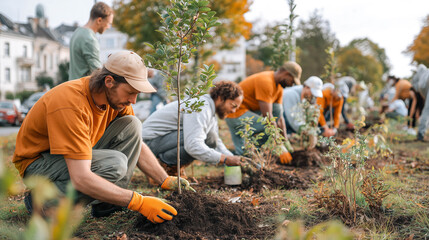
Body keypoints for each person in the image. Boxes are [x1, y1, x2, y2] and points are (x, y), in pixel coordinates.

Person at [13, 50, 191, 223]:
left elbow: (137, 143)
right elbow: (81, 177)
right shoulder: (71, 103)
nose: (134, 100)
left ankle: (107, 204)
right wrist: (138, 202)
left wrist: (164, 179)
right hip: (38, 164)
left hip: (68, 156)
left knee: (132, 124)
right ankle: (45, 203)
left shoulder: (116, 101)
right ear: (109, 81)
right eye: (131, 92)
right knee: (115, 163)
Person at [142, 81, 244, 175]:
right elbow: (193, 145)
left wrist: (233, 158)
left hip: (162, 141)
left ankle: (169, 166)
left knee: (210, 137)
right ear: (221, 98)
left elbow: (216, 142)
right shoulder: (201, 107)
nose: (234, 111)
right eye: (233, 105)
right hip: (148, 145)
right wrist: (224, 159)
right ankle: (162, 167)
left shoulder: (209, 109)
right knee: (197, 139)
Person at [225, 61, 302, 164]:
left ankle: (254, 152)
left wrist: (285, 141)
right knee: (268, 128)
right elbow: (268, 118)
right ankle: (243, 157)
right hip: (234, 114)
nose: (291, 84)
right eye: (292, 81)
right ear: (287, 74)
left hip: (247, 112)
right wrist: (280, 147)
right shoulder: (266, 81)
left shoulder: (279, 88)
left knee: (277, 111)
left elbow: (279, 117)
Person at [69, 2, 113, 80]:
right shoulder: (89, 39)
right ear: (99, 20)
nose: (109, 27)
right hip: (83, 90)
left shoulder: (77, 32)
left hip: (73, 87)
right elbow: (98, 72)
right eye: (108, 23)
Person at [411, 64, 429, 141]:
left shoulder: (422, 74)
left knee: (427, 109)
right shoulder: (424, 73)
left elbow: (418, 88)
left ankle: (420, 134)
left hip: (424, 85)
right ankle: (421, 134)